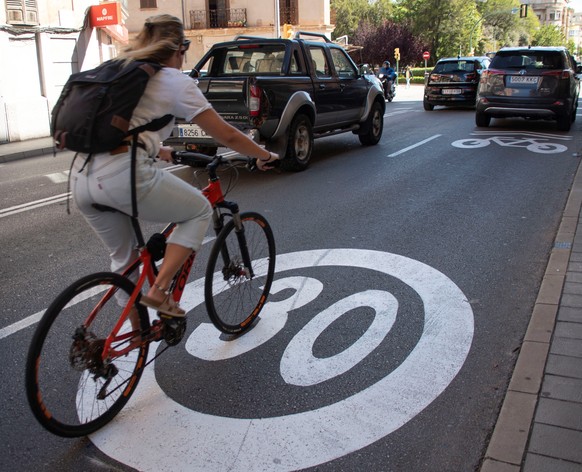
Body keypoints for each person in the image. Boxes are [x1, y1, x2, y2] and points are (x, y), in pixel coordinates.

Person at [71, 14, 279, 327]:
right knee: (197, 210)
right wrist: (263, 154)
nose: (183, 56)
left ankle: (134, 336)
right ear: (177, 48)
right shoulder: (173, 80)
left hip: (82, 178)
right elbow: (227, 135)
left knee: (125, 262)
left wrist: (160, 149)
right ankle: (159, 290)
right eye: (184, 48)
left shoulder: (122, 71)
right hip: (121, 177)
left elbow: (128, 126)